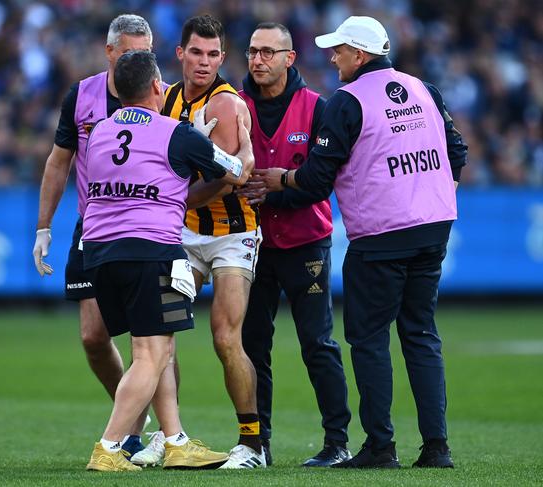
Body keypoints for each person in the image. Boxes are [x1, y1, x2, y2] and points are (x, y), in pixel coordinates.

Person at [254, 15, 467, 469]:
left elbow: (314, 182)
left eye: (340, 50)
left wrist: (281, 178)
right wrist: (430, 197)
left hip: (381, 237)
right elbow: (458, 153)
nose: (333, 57)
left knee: (369, 339)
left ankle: (380, 447)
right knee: (421, 334)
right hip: (433, 229)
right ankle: (437, 448)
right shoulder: (424, 89)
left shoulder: (346, 103)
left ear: (361, 54)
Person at [81, 50, 253, 472]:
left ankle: (175, 441)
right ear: (158, 85)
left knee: (159, 347)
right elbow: (234, 171)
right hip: (150, 251)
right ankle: (109, 447)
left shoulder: (101, 130)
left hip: (100, 253)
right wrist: (243, 144)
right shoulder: (174, 132)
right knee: (151, 355)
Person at [32, 14, 153, 457]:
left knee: (152, 337)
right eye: (128, 54)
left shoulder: (163, 95)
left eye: (144, 54)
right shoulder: (81, 96)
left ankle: (141, 435)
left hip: (147, 226)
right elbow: (59, 161)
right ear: (109, 52)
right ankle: (137, 420)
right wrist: (44, 226)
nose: (136, 62)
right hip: (95, 227)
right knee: (93, 337)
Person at [237, 22, 352, 468]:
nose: (258, 60)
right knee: (252, 345)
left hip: (306, 243)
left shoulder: (317, 108)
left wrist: (274, 191)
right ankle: (256, 443)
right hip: (251, 244)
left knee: (317, 344)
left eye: (268, 52)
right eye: (252, 51)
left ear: (289, 58)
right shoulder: (234, 105)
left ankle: (337, 442)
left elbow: (322, 184)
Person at [159, 14, 266, 469]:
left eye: (213, 54)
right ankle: (171, 436)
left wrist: (171, 198)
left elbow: (227, 181)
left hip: (231, 233)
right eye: (196, 53)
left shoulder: (224, 105)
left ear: (222, 58)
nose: (204, 63)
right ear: (181, 53)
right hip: (185, 232)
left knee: (225, 337)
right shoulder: (166, 99)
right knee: (156, 332)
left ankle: (252, 444)